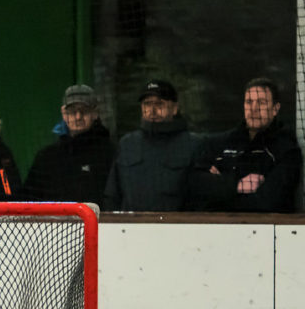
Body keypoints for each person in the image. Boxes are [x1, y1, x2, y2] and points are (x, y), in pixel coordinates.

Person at [187, 77, 303, 212]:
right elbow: (193, 186)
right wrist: (236, 185)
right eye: (249, 102)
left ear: (275, 109)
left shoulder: (286, 150)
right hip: (217, 229)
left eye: (261, 102)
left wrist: (219, 184)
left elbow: (268, 202)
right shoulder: (219, 143)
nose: (254, 109)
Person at [103, 79, 202, 212]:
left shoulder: (193, 145)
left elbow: (202, 197)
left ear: (174, 108)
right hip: (131, 228)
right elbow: (112, 195)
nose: (152, 110)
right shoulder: (128, 144)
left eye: (159, 104)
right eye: (147, 104)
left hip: (178, 227)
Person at [20, 84, 115, 206]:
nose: (78, 117)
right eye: (72, 111)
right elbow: (29, 199)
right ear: (64, 114)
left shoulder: (110, 154)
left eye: (84, 111)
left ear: (95, 113)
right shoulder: (47, 157)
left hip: (99, 224)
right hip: (52, 224)